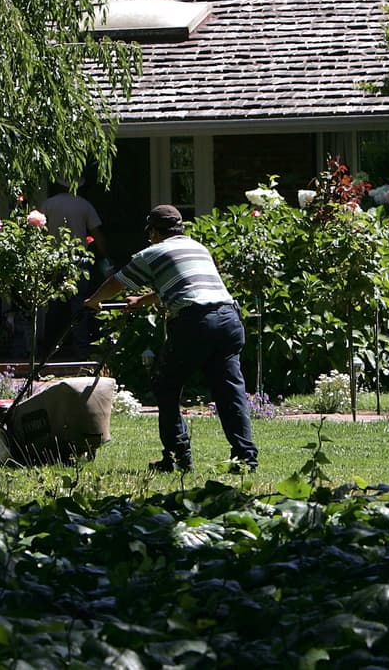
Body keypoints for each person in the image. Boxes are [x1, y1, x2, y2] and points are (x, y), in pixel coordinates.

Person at [84, 204, 259, 473]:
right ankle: (245, 459)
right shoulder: (198, 248)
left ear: (153, 231)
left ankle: (178, 458)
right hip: (229, 318)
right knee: (229, 391)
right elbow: (185, 282)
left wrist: (93, 301)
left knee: (166, 385)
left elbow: (117, 282)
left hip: (195, 321)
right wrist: (143, 300)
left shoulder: (153, 252)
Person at [40, 179, 110, 359]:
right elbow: (97, 233)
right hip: (78, 259)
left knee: (53, 305)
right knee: (79, 304)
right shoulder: (84, 205)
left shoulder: (48, 204)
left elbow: (39, 233)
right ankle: (81, 351)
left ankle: (48, 349)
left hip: (53, 258)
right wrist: (106, 256)